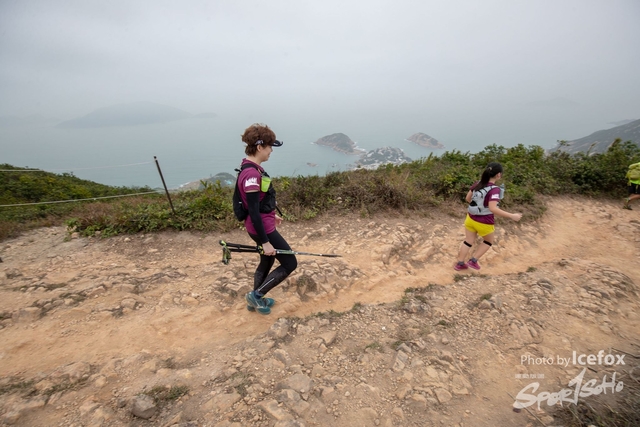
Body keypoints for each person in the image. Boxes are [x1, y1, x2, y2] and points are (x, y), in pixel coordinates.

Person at [237, 123, 297, 315]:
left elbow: (256, 204)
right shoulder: (252, 175)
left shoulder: (249, 168)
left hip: (260, 225)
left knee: (267, 261)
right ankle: (256, 295)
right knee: (290, 263)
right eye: (269, 146)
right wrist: (265, 241)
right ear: (259, 147)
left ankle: (255, 300)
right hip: (262, 229)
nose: (271, 150)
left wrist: (271, 214)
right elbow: (253, 211)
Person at [454, 162, 522, 271]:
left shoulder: (478, 183)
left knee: (468, 241)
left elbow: (467, 198)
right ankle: (473, 261)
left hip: (470, 218)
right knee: (488, 241)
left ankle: (460, 263)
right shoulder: (495, 189)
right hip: (484, 221)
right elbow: (493, 208)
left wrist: (478, 207)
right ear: (498, 174)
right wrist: (512, 216)